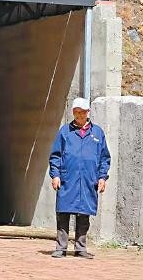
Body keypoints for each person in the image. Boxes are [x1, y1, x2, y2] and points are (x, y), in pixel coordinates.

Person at [48, 97, 111, 258]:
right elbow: (55, 155)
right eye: (76, 112)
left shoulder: (97, 133)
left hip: (89, 180)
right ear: (73, 112)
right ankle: (61, 248)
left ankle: (80, 248)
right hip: (68, 179)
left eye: (82, 112)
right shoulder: (65, 132)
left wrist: (102, 177)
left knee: (84, 215)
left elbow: (104, 158)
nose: (79, 115)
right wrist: (55, 175)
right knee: (63, 214)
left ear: (88, 112)